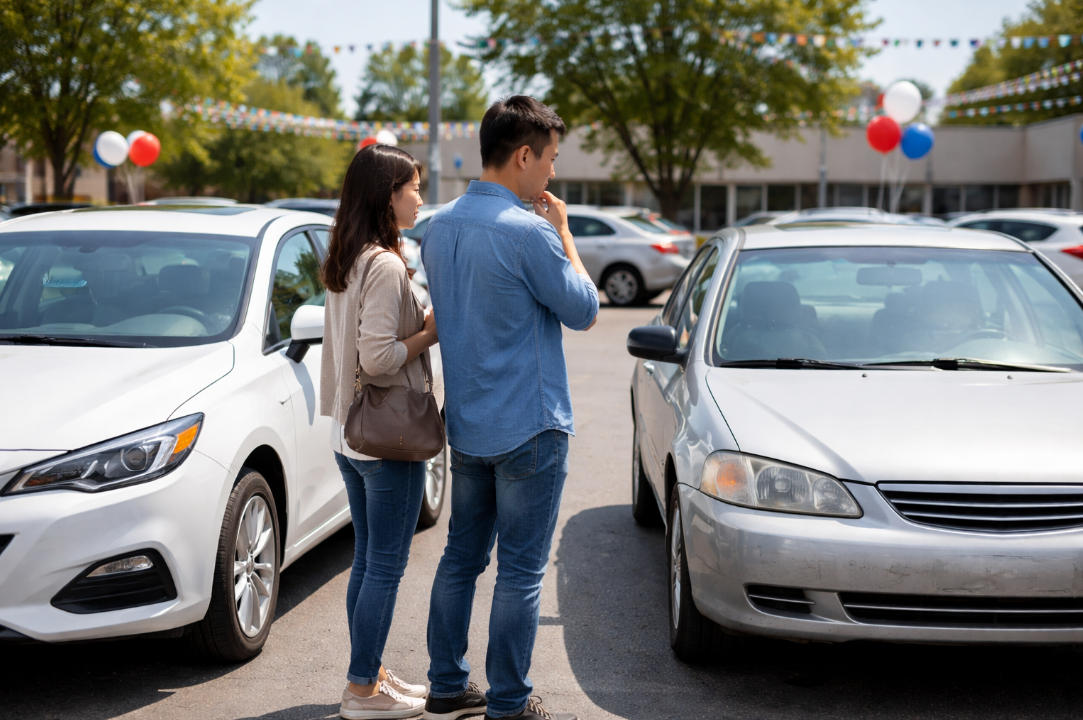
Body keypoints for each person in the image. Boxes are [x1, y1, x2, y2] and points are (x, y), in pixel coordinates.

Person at [420, 96, 598, 720]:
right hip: (530, 425)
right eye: (550, 158)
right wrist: (565, 231)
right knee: (520, 573)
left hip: (468, 426)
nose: (552, 171)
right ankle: (509, 702)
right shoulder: (530, 233)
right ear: (523, 155)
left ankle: (446, 686)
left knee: (460, 560)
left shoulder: (438, 228)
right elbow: (584, 309)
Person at [320, 143, 438, 720]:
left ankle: (369, 676)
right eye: (413, 188)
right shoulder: (385, 265)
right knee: (384, 565)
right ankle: (362, 690)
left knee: (368, 560)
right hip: (386, 438)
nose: (419, 198)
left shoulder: (348, 256)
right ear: (387, 196)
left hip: (351, 433)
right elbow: (380, 358)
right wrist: (431, 332)